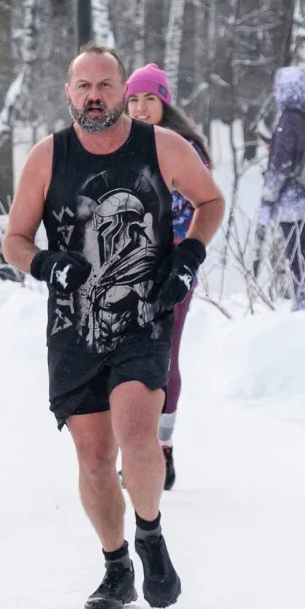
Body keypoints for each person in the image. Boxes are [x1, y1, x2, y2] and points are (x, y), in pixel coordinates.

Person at [3, 45, 224, 609]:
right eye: (84, 87)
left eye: (106, 85)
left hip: (144, 316)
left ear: (125, 91)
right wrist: (47, 264)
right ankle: (116, 565)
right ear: (68, 93)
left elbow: (210, 200)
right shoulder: (48, 157)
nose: (95, 96)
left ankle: (149, 533)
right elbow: (15, 240)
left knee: (136, 436)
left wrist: (188, 255)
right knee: (95, 458)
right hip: (72, 326)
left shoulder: (162, 147)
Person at [126, 64, 212, 491]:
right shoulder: (118, 144)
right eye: (134, 100)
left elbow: (202, 208)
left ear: (165, 103)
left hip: (174, 270)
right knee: (128, 361)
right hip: (126, 273)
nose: (141, 109)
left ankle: (162, 447)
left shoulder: (183, 149)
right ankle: (135, 448)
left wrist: (179, 261)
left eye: (150, 100)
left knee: (163, 356)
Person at [259, 66, 305, 311]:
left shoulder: (288, 118)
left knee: (296, 253)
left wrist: (268, 198)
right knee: (301, 250)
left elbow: (281, 164)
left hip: (290, 199)